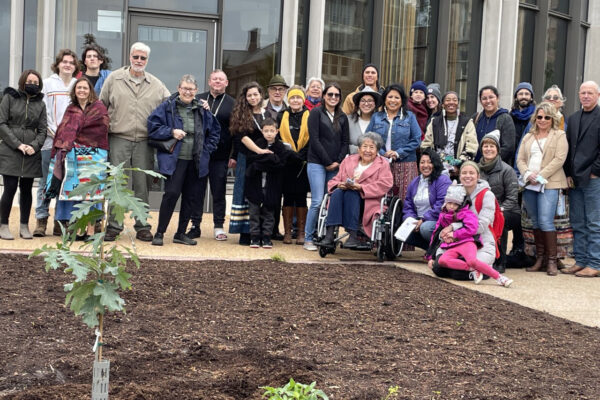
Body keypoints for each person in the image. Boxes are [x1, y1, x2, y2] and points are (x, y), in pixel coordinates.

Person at [99, 42, 170, 242]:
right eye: (136, 57)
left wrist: (199, 102)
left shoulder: (156, 84)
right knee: (116, 183)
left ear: (147, 60)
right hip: (118, 138)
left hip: (145, 142)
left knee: (142, 184)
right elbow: (101, 107)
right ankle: (114, 226)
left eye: (143, 58)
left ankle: (142, 226)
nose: (139, 61)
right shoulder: (114, 79)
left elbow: (172, 105)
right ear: (130, 57)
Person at [147, 74, 220, 246]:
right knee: (171, 194)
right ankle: (160, 233)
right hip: (175, 159)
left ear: (196, 91)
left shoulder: (203, 109)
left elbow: (215, 131)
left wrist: (207, 150)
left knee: (190, 197)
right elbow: (152, 127)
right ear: (179, 88)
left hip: (196, 160)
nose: (188, 92)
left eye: (191, 89)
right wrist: (171, 132)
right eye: (185, 88)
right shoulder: (167, 107)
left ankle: (180, 233)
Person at [44, 77, 109, 239]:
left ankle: (91, 231)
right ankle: (79, 230)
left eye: (85, 88)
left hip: (94, 156)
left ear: (90, 91)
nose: (82, 91)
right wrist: (66, 145)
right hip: (73, 155)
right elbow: (63, 131)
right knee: (76, 192)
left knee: (92, 192)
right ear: (74, 91)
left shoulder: (99, 108)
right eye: (79, 88)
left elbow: (102, 129)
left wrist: (79, 138)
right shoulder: (71, 109)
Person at [426, 181, 513, 287]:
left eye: (455, 204)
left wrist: (454, 233)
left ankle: (499, 277)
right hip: (451, 246)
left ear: (460, 204)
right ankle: (474, 270)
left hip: (467, 242)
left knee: (472, 261)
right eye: (450, 203)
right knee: (442, 261)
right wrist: (431, 255)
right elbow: (437, 233)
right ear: (445, 202)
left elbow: (472, 228)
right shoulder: (443, 215)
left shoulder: (466, 213)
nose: (452, 206)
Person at [516, 102, 568, 276]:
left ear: (552, 118)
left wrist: (540, 175)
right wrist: (528, 174)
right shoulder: (529, 136)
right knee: (536, 221)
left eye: (546, 117)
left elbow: (560, 159)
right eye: (539, 117)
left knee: (546, 221)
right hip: (530, 184)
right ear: (535, 118)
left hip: (550, 183)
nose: (543, 120)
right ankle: (540, 258)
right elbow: (520, 159)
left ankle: (552, 261)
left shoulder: (559, 135)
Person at [33, 49, 79, 237]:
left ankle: (61, 221)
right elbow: (42, 111)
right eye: (64, 62)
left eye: (71, 62)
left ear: (75, 67)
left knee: (66, 181)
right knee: (47, 181)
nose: (67, 65)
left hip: (70, 142)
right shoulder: (48, 84)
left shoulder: (78, 85)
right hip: (50, 140)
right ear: (58, 64)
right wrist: (53, 131)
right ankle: (41, 219)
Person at [431, 162, 502, 281]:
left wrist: (454, 227)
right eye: (464, 173)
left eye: (471, 173)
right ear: (459, 175)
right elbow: (444, 220)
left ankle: (484, 270)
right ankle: (476, 270)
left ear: (478, 176)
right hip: (456, 242)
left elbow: (480, 226)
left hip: (481, 242)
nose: (467, 176)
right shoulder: (455, 191)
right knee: (438, 267)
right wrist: (435, 254)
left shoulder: (487, 195)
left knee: (457, 272)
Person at [320, 133, 393, 248]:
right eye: (364, 146)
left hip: (368, 201)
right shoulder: (348, 160)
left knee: (352, 193)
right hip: (343, 198)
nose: (367, 150)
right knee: (337, 192)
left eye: (371, 147)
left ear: (377, 150)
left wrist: (362, 188)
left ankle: (353, 235)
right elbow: (335, 179)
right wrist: (339, 184)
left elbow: (385, 184)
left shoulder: (382, 164)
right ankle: (329, 234)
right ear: (359, 149)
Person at [187, 69, 236, 241]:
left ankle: (218, 226)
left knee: (219, 192)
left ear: (226, 83)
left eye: (221, 79)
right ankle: (195, 225)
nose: (217, 82)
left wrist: (234, 155)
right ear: (209, 82)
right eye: (214, 79)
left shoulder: (233, 103)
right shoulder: (198, 99)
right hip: (200, 154)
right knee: (197, 191)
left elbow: (236, 132)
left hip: (221, 156)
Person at [0, 70, 46, 240]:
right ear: (22, 81)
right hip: (11, 151)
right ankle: (3, 224)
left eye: (35, 82)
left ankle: (24, 225)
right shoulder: (10, 98)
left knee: (26, 190)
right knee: (10, 188)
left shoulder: (41, 104)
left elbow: (42, 130)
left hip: (30, 153)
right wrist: (17, 144)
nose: (32, 84)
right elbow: (1, 123)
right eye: (29, 81)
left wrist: (34, 146)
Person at [304, 83, 349, 250]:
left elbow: (345, 142)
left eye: (337, 95)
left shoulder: (342, 117)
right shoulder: (316, 113)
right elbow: (314, 140)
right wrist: (327, 161)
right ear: (324, 96)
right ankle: (308, 238)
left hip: (335, 165)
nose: (333, 98)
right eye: (330, 94)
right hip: (317, 162)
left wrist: (337, 161)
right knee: (317, 201)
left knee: (329, 201)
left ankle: (323, 235)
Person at [562, 81, 600, 278]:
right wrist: (567, 173)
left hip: (593, 178)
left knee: (594, 222)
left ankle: (595, 263)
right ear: (578, 95)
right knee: (577, 222)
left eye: (590, 93)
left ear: (598, 95)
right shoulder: (574, 118)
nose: (586, 96)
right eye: (583, 93)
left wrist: (596, 171)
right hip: (575, 178)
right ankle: (581, 261)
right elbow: (568, 148)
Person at [228, 81, 270, 245]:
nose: (253, 98)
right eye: (249, 95)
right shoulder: (241, 114)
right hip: (246, 158)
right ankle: (244, 232)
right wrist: (258, 151)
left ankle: (261, 232)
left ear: (261, 95)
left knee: (262, 193)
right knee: (244, 193)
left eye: (255, 94)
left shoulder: (268, 114)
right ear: (245, 98)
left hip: (264, 160)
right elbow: (242, 137)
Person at [245, 118, 295, 248]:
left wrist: (264, 160)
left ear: (277, 131)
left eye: (271, 131)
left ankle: (267, 237)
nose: (269, 133)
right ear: (262, 131)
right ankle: (255, 237)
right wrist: (269, 159)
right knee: (254, 211)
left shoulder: (280, 147)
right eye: (266, 131)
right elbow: (252, 160)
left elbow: (280, 163)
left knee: (269, 211)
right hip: (255, 184)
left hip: (272, 185)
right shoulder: (257, 145)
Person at [366, 83, 421, 200]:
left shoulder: (409, 117)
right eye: (390, 97)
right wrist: (381, 153)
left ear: (402, 101)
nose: (393, 100)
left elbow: (416, 139)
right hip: (380, 163)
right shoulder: (376, 117)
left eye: (397, 97)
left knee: (404, 199)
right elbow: (368, 138)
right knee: (381, 198)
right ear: (385, 99)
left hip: (406, 164)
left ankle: (403, 219)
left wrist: (397, 153)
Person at [478, 130, 521, 273]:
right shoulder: (477, 169)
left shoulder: (507, 170)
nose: (488, 149)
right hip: (484, 210)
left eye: (492, 146)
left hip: (508, 211)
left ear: (497, 149)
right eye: (485, 146)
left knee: (499, 220)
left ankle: (500, 261)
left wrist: (496, 210)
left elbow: (512, 199)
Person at [278, 86, 310, 245]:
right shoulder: (281, 116)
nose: (295, 101)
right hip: (286, 162)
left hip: (303, 163)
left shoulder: (310, 116)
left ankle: (301, 233)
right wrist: (290, 154)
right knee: (288, 196)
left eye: (298, 98)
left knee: (301, 196)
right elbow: (276, 138)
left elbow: (312, 138)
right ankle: (288, 232)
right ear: (288, 100)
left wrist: (301, 155)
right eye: (292, 98)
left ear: (303, 100)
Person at [402, 148, 451, 250]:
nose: (425, 165)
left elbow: (441, 205)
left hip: (437, 220)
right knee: (403, 231)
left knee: (425, 228)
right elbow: (408, 205)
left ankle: (440, 248)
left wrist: (424, 219)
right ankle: (430, 249)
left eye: (429, 162)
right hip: (419, 220)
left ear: (435, 163)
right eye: (422, 162)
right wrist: (411, 220)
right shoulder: (415, 182)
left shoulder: (443, 180)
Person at [421, 91, 478, 177]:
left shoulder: (467, 122)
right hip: (437, 169)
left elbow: (471, 147)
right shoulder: (434, 122)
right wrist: (439, 162)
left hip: (459, 170)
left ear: (458, 103)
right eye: (448, 100)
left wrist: (458, 165)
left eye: (454, 100)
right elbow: (425, 146)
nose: (451, 102)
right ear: (443, 104)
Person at [264, 74, 289, 240]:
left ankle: (275, 229)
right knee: (265, 194)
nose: (277, 92)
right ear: (269, 91)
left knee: (279, 193)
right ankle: (264, 229)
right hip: (265, 156)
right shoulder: (262, 109)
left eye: (281, 89)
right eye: (274, 89)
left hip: (283, 158)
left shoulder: (290, 109)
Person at [473, 85, 515, 163]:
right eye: (484, 98)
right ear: (480, 101)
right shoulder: (476, 117)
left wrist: (489, 161)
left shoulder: (505, 118)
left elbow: (508, 148)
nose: (488, 101)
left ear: (497, 98)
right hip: (477, 167)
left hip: (496, 168)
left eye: (491, 97)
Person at [348, 86, 381, 154]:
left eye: (370, 101)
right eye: (363, 101)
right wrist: (359, 150)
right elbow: (343, 143)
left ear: (375, 104)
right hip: (352, 161)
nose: (366, 104)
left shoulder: (381, 122)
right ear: (358, 104)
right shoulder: (348, 120)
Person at [510, 82, 535, 154]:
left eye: (527, 94)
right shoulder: (510, 116)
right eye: (520, 94)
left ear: (531, 97)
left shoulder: (537, 117)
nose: (523, 96)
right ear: (516, 97)